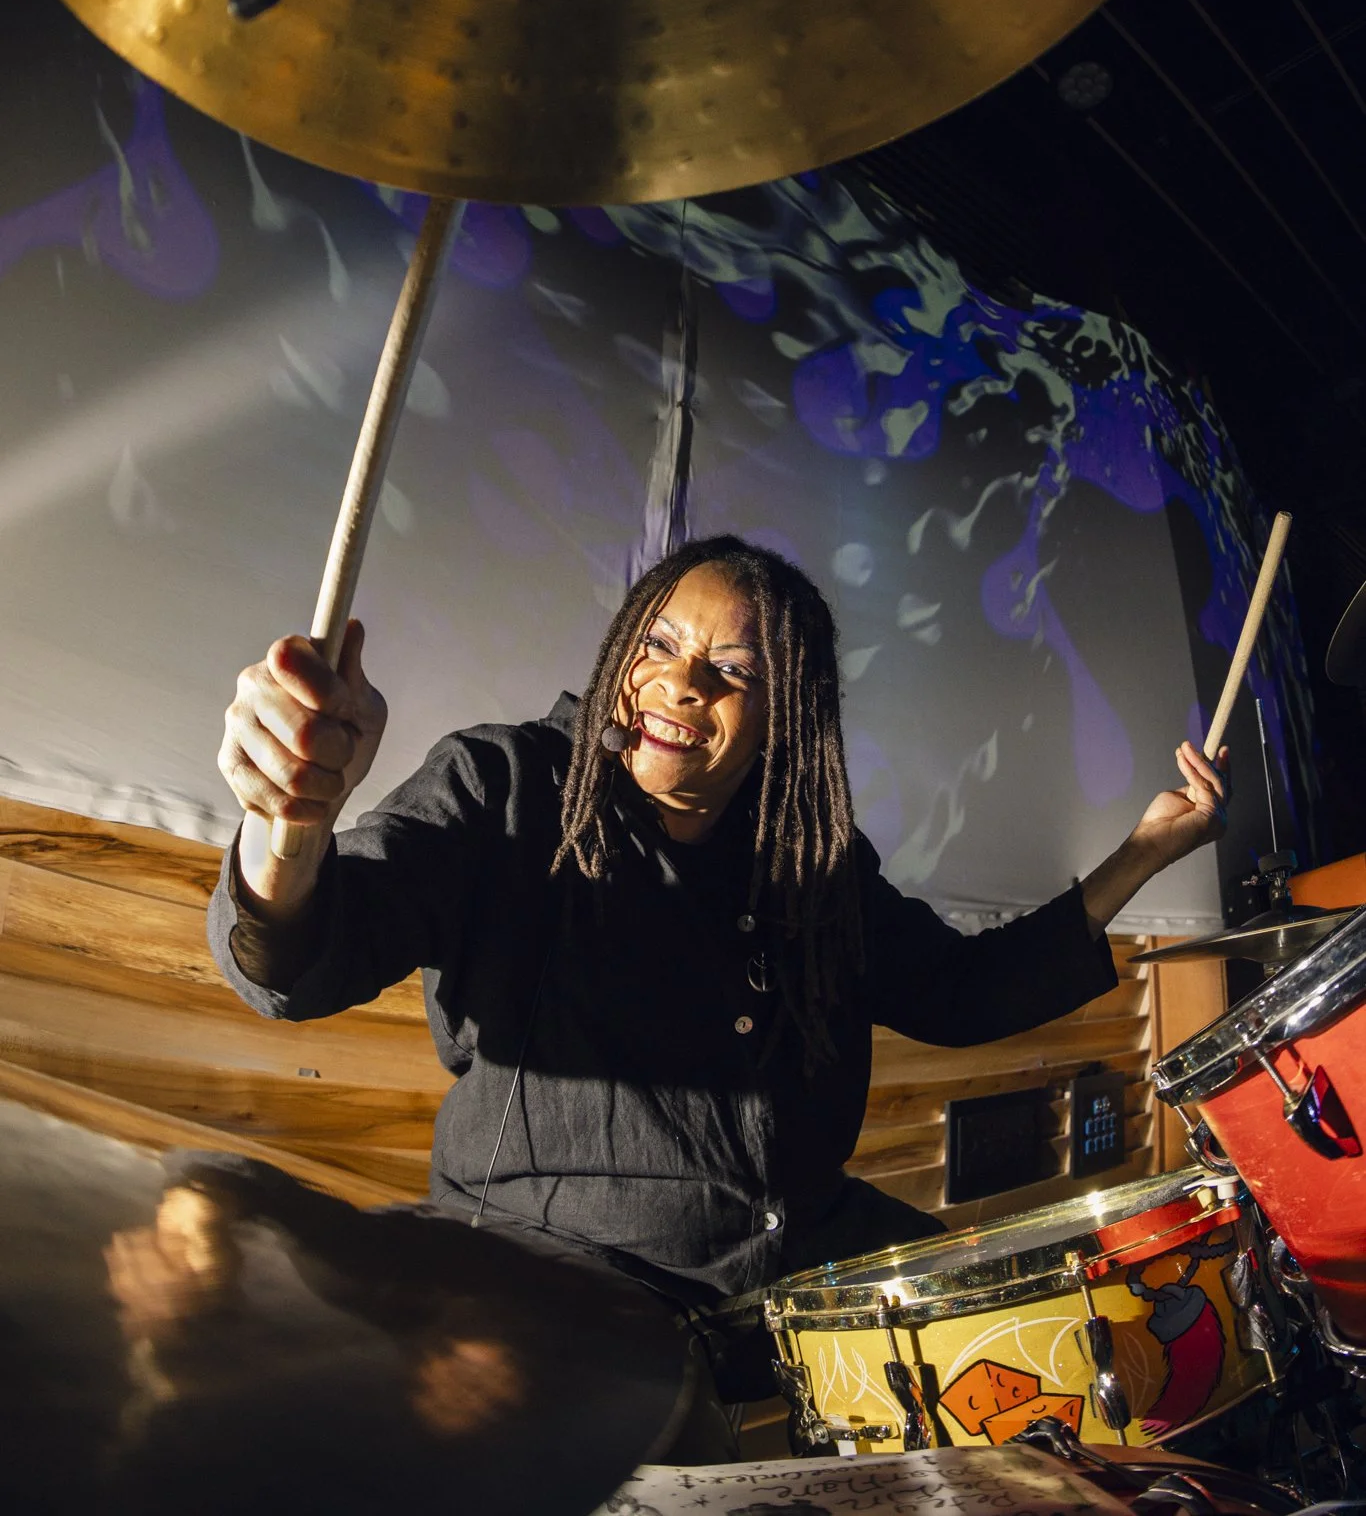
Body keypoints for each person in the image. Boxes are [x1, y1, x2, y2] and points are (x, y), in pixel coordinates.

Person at [210, 534, 1227, 1323]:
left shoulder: (809, 851)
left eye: (731, 669)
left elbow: (957, 992)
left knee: (1055, 1306)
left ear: (786, 714)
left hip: (796, 1249)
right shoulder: (505, 784)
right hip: (554, 1273)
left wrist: (1138, 853)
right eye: (658, 643)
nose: (681, 680)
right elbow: (298, 962)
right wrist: (288, 821)